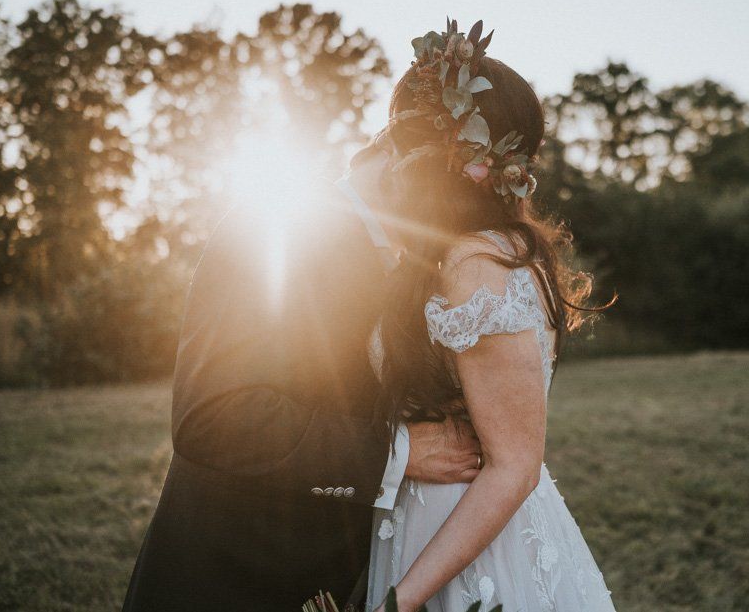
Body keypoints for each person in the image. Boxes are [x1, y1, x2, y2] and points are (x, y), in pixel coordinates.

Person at [121, 127, 483, 610]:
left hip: (337, 575)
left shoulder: (415, 261)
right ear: (394, 150)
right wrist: (395, 453)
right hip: (233, 577)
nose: (466, 193)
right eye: (457, 170)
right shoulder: (273, 223)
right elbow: (212, 417)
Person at [363, 20, 617, 611]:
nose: (390, 152)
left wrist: (399, 603)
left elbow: (514, 468)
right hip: (429, 528)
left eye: (402, 137)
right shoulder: (469, 251)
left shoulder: (474, 261)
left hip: (469, 553)